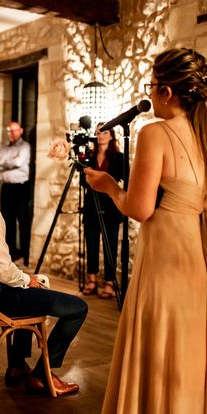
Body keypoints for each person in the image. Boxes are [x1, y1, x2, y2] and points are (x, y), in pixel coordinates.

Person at [86, 48, 207, 414]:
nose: (151, 96)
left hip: (166, 261)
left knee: (160, 355)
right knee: (194, 360)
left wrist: (107, 185)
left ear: (166, 90)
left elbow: (139, 209)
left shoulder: (154, 133)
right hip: (205, 262)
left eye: (151, 87)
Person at [0, 140, 87, 395]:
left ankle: (16, 366)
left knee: (30, 285)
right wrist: (28, 280)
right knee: (77, 307)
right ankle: (43, 375)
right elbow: (3, 271)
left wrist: (27, 279)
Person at [81, 124, 125, 298]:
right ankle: (92, 279)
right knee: (91, 243)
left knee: (110, 246)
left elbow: (121, 179)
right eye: (98, 132)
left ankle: (109, 282)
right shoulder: (88, 157)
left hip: (111, 206)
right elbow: (83, 183)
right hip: (91, 205)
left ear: (112, 135)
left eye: (105, 132)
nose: (101, 135)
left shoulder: (119, 157)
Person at [0, 121, 32, 262]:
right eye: (10, 131)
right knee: (7, 222)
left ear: (21, 131)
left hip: (20, 188)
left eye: (15, 130)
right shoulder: (3, 148)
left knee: (23, 221)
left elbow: (18, 163)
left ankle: (25, 254)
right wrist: (8, 161)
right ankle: (10, 254)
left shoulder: (25, 146)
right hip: (6, 188)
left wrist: (2, 162)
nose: (12, 133)